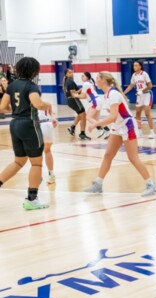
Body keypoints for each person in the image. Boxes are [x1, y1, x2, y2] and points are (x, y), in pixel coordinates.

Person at [84, 71, 156, 197]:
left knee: (133, 158)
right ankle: (98, 183)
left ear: (103, 80)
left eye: (97, 78)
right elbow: (116, 116)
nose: (95, 80)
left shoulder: (113, 94)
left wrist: (95, 124)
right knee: (108, 155)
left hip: (127, 126)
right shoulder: (107, 94)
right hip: (118, 126)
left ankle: (151, 184)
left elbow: (112, 117)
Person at [0, 57, 53, 209]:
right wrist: (47, 105)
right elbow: (37, 104)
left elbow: (2, 107)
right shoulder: (31, 86)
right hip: (29, 125)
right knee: (36, 163)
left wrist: (16, 110)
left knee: (18, 161)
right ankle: (31, 199)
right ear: (34, 71)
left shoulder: (12, 85)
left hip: (15, 124)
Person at [72, 72, 110, 139]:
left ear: (87, 77)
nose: (81, 77)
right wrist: (78, 92)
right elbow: (86, 93)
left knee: (88, 117)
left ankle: (104, 129)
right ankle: (105, 131)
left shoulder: (86, 84)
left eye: (83, 76)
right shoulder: (90, 83)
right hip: (98, 100)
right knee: (96, 119)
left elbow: (83, 96)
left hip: (94, 101)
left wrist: (76, 95)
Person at [123, 61, 155, 139]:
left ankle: (152, 131)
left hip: (147, 95)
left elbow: (150, 85)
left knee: (147, 114)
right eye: (134, 66)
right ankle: (139, 131)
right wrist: (123, 93)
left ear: (140, 66)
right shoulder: (134, 75)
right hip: (139, 96)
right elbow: (131, 85)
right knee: (137, 113)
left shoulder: (144, 74)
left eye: (136, 65)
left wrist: (141, 91)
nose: (135, 67)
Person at [64, 69, 91, 140]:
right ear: (66, 74)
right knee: (83, 115)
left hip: (70, 100)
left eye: (72, 72)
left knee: (80, 114)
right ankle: (82, 133)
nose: (71, 73)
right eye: (69, 72)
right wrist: (82, 90)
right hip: (73, 100)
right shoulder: (70, 81)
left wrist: (81, 90)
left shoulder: (66, 80)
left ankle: (72, 127)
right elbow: (74, 94)